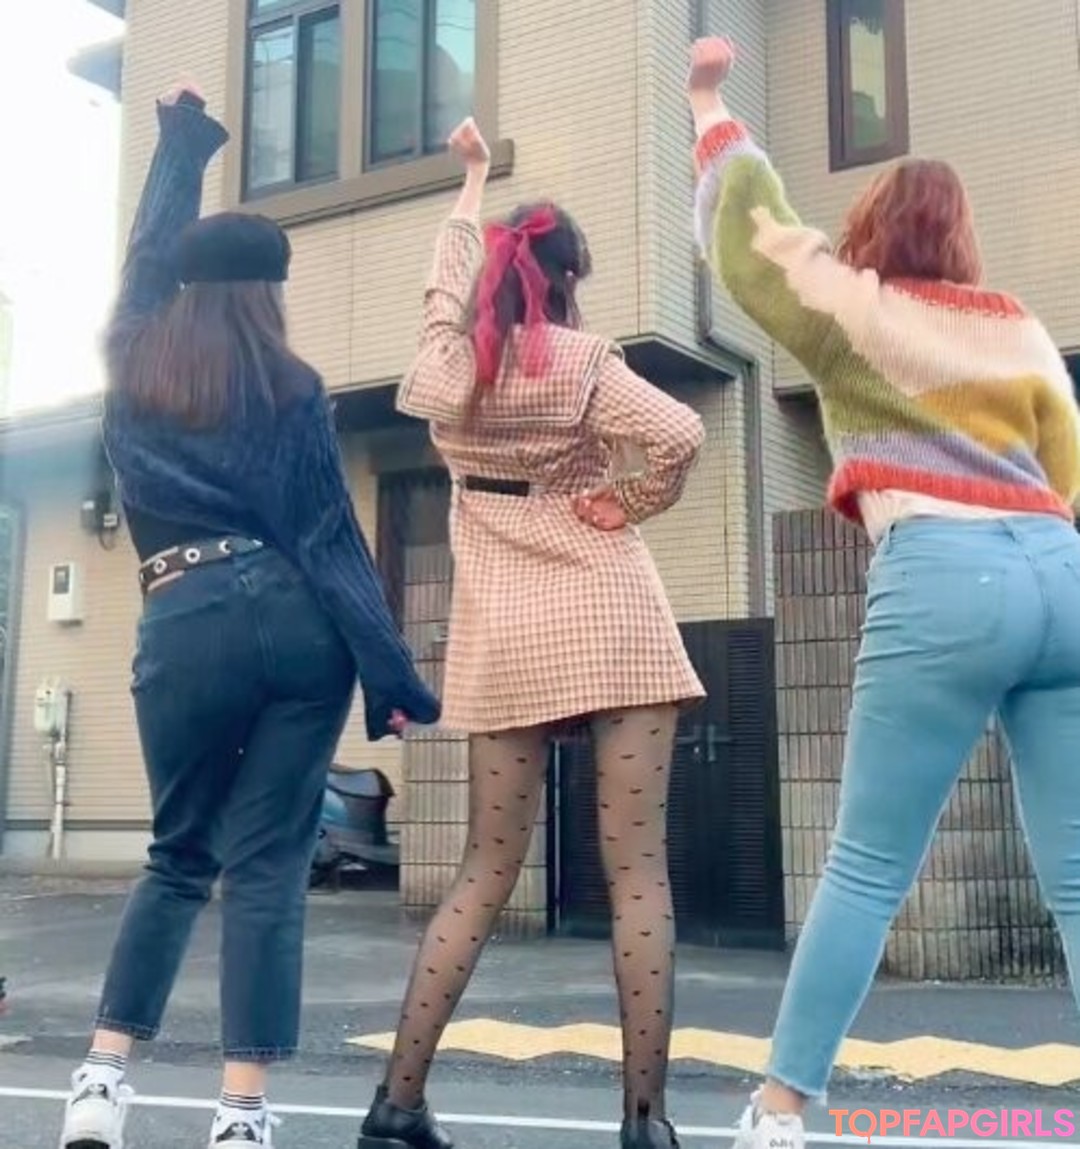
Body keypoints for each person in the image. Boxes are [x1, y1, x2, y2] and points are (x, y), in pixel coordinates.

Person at [685, 34, 1080, 1149]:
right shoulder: (1019, 327)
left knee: (865, 866)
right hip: (1060, 574)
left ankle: (779, 1111)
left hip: (944, 572)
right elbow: (1067, 467)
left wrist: (710, 106)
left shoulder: (857, 308)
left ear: (874, 226)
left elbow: (757, 242)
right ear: (962, 235)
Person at [58, 81, 440, 1149]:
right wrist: (393, 678)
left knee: (179, 854)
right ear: (271, 295)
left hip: (184, 609)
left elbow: (145, 253)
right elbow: (329, 537)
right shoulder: (292, 385)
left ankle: (100, 1084)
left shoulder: (134, 354)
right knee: (268, 867)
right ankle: (240, 1116)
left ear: (181, 282)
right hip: (295, 619)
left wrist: (182, 145)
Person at [355, 118, 706, 1149]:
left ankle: (396, 1107)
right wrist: (624, 502)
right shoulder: (584, 362)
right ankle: (645, 1124)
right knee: (636, 871)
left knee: (482, 870)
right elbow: (681, 433)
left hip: (508, 636)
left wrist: (468, 183)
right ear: (568, 280)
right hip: (613, 619)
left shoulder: (444, 370)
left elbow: (441, 284)